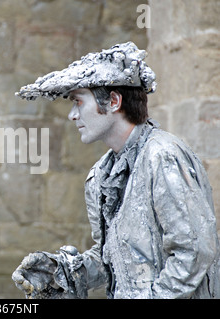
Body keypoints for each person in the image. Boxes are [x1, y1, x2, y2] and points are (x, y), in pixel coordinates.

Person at [12, 42, 220, 299]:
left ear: (113, 101)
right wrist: (62, 273)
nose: (72, 115)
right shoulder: (101, 174)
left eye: (78, 101)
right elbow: (111, 259)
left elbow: (195, 252)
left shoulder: (163, 156)